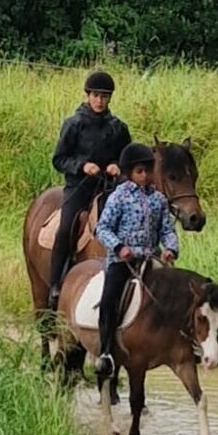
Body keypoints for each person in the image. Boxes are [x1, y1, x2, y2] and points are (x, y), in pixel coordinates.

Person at [92, 142, 180, 378]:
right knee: (110, 298)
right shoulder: (118, 197)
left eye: (148, 171)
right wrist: (119, 248)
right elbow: (103, 228)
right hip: (123, 261)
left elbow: (167, 230)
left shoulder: (159, 200)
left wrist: (170, 248)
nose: (145, 176)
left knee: (176, 293)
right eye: (140, 171)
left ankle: (181, 341)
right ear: (129, 173)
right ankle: (106, 351)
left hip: (150, 258)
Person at [47, 69, 133, 310]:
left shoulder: (119, 128)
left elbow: (129, 160)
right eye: (95, 95)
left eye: (104, 96)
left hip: (110, 189)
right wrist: (82, 166)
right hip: (79, 187)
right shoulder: (73, 124)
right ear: (87, 95)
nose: (99, 101)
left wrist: (119, 166)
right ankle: (55, 283)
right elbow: (59, 159)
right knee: (65, 229)